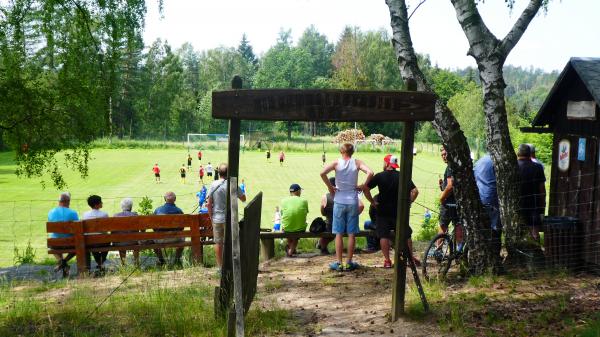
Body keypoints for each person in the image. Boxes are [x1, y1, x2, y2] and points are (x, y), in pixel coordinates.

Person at [320, 143, 373, 271]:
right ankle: (349, 262)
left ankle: (338, 263)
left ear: (341, 151)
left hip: (339, 200)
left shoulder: (336, 163)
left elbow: (322, 173)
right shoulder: (357, 162)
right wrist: (363, 185)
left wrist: (330, 187)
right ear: (352, 151)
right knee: (351, 234)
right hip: (353, 201)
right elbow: (370, 172)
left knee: (338, 233)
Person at [363, 154, 420, 268]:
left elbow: (365, 188)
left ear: (387, 163)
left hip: (383, 212)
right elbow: (415, 191)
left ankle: (387, 261)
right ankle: (410, 259)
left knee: (384, 236)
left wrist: (372, 202)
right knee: (406, 234)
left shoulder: (380, 176)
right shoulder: (402, 176)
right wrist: (409, 203)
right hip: (399, 211)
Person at [207, 163, 246, 268]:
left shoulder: (213, 184)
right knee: (234, 241)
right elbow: (243, 199)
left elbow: (209, 203)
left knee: (218, 242)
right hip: (231, 219)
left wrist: (211, 218)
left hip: (217, 218)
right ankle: (234, 265)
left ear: (218, 172)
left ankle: (221, 267)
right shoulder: (232, 184)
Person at [318, 176, 364, 255]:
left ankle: (322, 246)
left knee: (328, 226)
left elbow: (323, 213)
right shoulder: (347, 195)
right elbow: (361, 206)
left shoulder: (325, 197)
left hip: (331, 226)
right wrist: (353, 215)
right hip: (347, 226)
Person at [474, 154, 502, 259]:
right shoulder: (497, 161)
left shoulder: (478, 162)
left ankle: (483, 255)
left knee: (483, 228)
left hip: (480, 198)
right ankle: (495, 256)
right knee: (495, 229)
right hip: (493, 199)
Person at [517, 143, 546, 242]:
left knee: (519, 231)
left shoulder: (513, 166)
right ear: (530, 154)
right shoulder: (538, 167)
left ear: (518, 153)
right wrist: (543, 203)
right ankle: (536, 250)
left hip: (518, 203)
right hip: (534, 203)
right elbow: (542, 188)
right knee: (534, 231)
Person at [48, 192, 78, 277]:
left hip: (55, 243)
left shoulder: (51, 212)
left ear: (59, 201)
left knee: (55, 241)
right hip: (70, 243)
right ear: (68, 201)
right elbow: (77, 228)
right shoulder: (73, 213)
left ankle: (62, 263)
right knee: (78, 245)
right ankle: (64, 262)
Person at [438, 146, 464, 251]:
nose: (444, 156)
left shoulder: (449, 167)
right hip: (458, 201)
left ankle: (438, 250)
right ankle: (459, 250)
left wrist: (441, 198)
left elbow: (450, 186)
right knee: (458, 224)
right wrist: (441, 186)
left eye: (445, 154)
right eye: (442, 155)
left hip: (448, 202)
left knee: (443, 225)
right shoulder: (458, 165)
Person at [153, 192, 185, 266]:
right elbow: (182, 228)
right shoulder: (179, 211)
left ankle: (161, 260)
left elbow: (154, 227)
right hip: (176, 238)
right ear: (175, 199)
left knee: (153, 239)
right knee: (183, 238)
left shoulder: (157, 210)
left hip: (160, 239)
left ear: (165, 199)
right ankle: (177, 260)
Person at [82, 195, 109, 273]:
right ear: (96, 204)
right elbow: (106, 229)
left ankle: (100, 263)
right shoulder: (104, 214)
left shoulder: (85, 215)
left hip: (90, 242)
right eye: (100, 201)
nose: (102, 203)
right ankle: (101, 262)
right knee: (107, 241)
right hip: (102, 242)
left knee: (93, 242)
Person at [280, 184, 309, 257]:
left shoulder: (283, 201)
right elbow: (305, 213)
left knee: (288, 227)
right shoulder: (304, 201)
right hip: (300, 228)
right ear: (298, 191)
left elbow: (282, 214)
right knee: (296, 232)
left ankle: (291, 249)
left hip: (287, 228)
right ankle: (290, 252)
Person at [112, 198, 140, 266]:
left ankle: (123, 264)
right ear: (131, 206)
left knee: (121, 239)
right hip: (134, 241)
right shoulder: (135, 215)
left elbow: (113, 232)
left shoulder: (116, 216)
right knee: (136, 239)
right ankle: (136, 263)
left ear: (122, 207)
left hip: (120, 242)